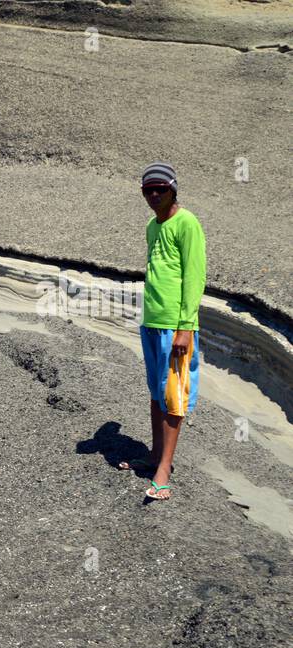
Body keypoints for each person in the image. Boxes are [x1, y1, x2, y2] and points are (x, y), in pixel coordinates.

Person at [119, 162, 206, 501]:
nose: (154, 195)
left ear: (173, 189)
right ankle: (155, 455)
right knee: (157, 393)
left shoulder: (187, 223)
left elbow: (195, 276)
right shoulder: (153, 226)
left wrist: (185, 327)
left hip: (175, 325)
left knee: (174, 397)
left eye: (160, 189)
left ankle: (163, 471)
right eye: (148, 190)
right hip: (152, 322)